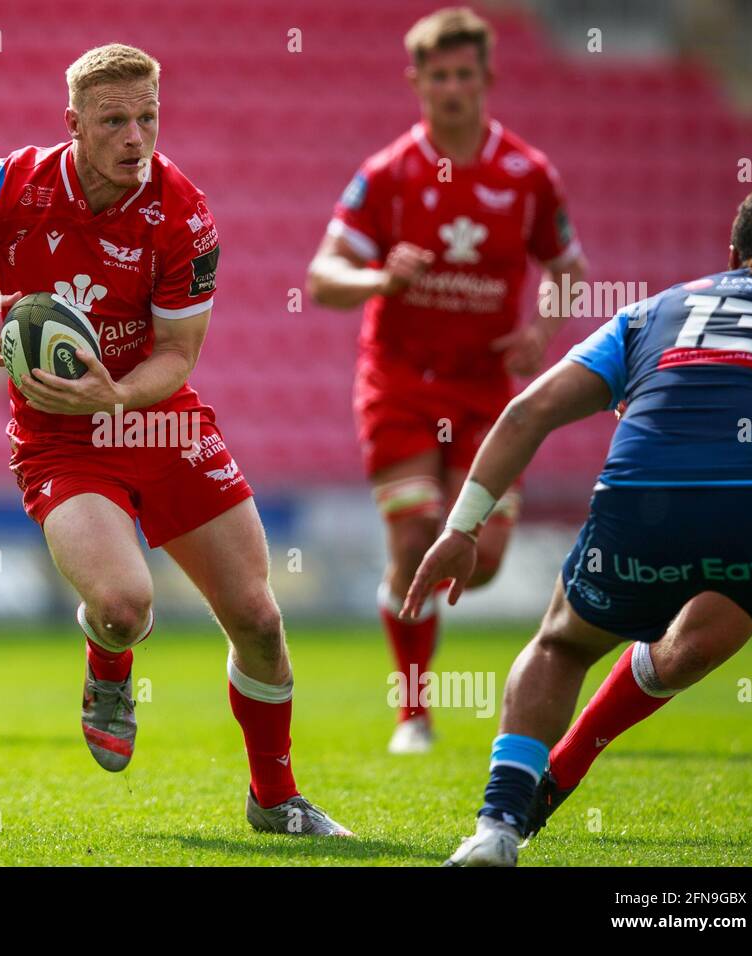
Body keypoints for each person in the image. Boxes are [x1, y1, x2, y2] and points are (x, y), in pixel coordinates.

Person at [0, 44, 350, 835]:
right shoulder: (14, 184)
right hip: (58, 439)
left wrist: (119, 394)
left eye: (148, 118)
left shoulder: (185, 214)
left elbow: (179, 354)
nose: (136, 137)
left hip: (160, 420)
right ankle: (110, 668)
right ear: (73, 125)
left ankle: (275, 800)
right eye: (114, 121)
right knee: (123, 603)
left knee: (259, 619)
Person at [402, 182, 752, 865]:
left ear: (732, 254)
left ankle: (497, 826)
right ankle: (557, 773)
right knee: (703, 635)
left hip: (644, 495)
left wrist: (462, 529)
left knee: (562, 645)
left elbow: (527, 412)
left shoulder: (655, 310)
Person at [307, 6, 586, 753]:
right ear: (417, 82)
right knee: (413, 540)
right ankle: (413, 711)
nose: (453, 89)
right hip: (400, 381)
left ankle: (410, 613)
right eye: (440, 77)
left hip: (488, 389)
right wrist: (375, 276)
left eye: (466, 75)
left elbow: (568, 269)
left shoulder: (526, 175)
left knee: (484, 558)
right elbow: (322, 276)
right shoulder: (387, 175)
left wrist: (540, 332)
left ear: (487, 80)